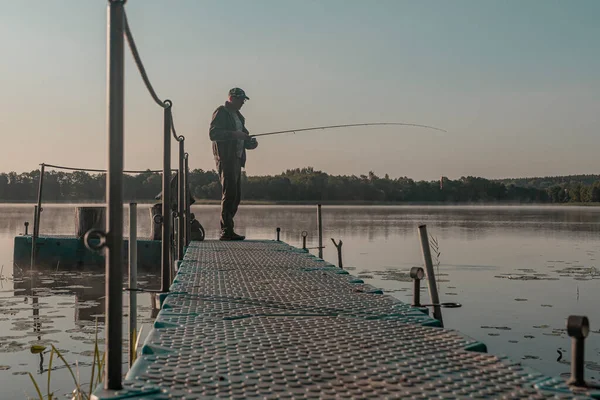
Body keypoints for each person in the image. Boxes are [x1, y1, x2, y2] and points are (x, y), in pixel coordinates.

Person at [209, 87, 258, 240]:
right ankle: (226, 231)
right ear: (232, 98)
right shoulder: (221, 112)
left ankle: (229, 229)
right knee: (229, 194)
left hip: (237, 159)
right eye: (241, 99)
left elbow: (244, 137)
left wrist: (251, 143)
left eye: (244, 100)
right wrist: (234, 134)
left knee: (236, 196)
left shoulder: (239, 117)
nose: (243, 102)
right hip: (226, 158)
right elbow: (213, 134)